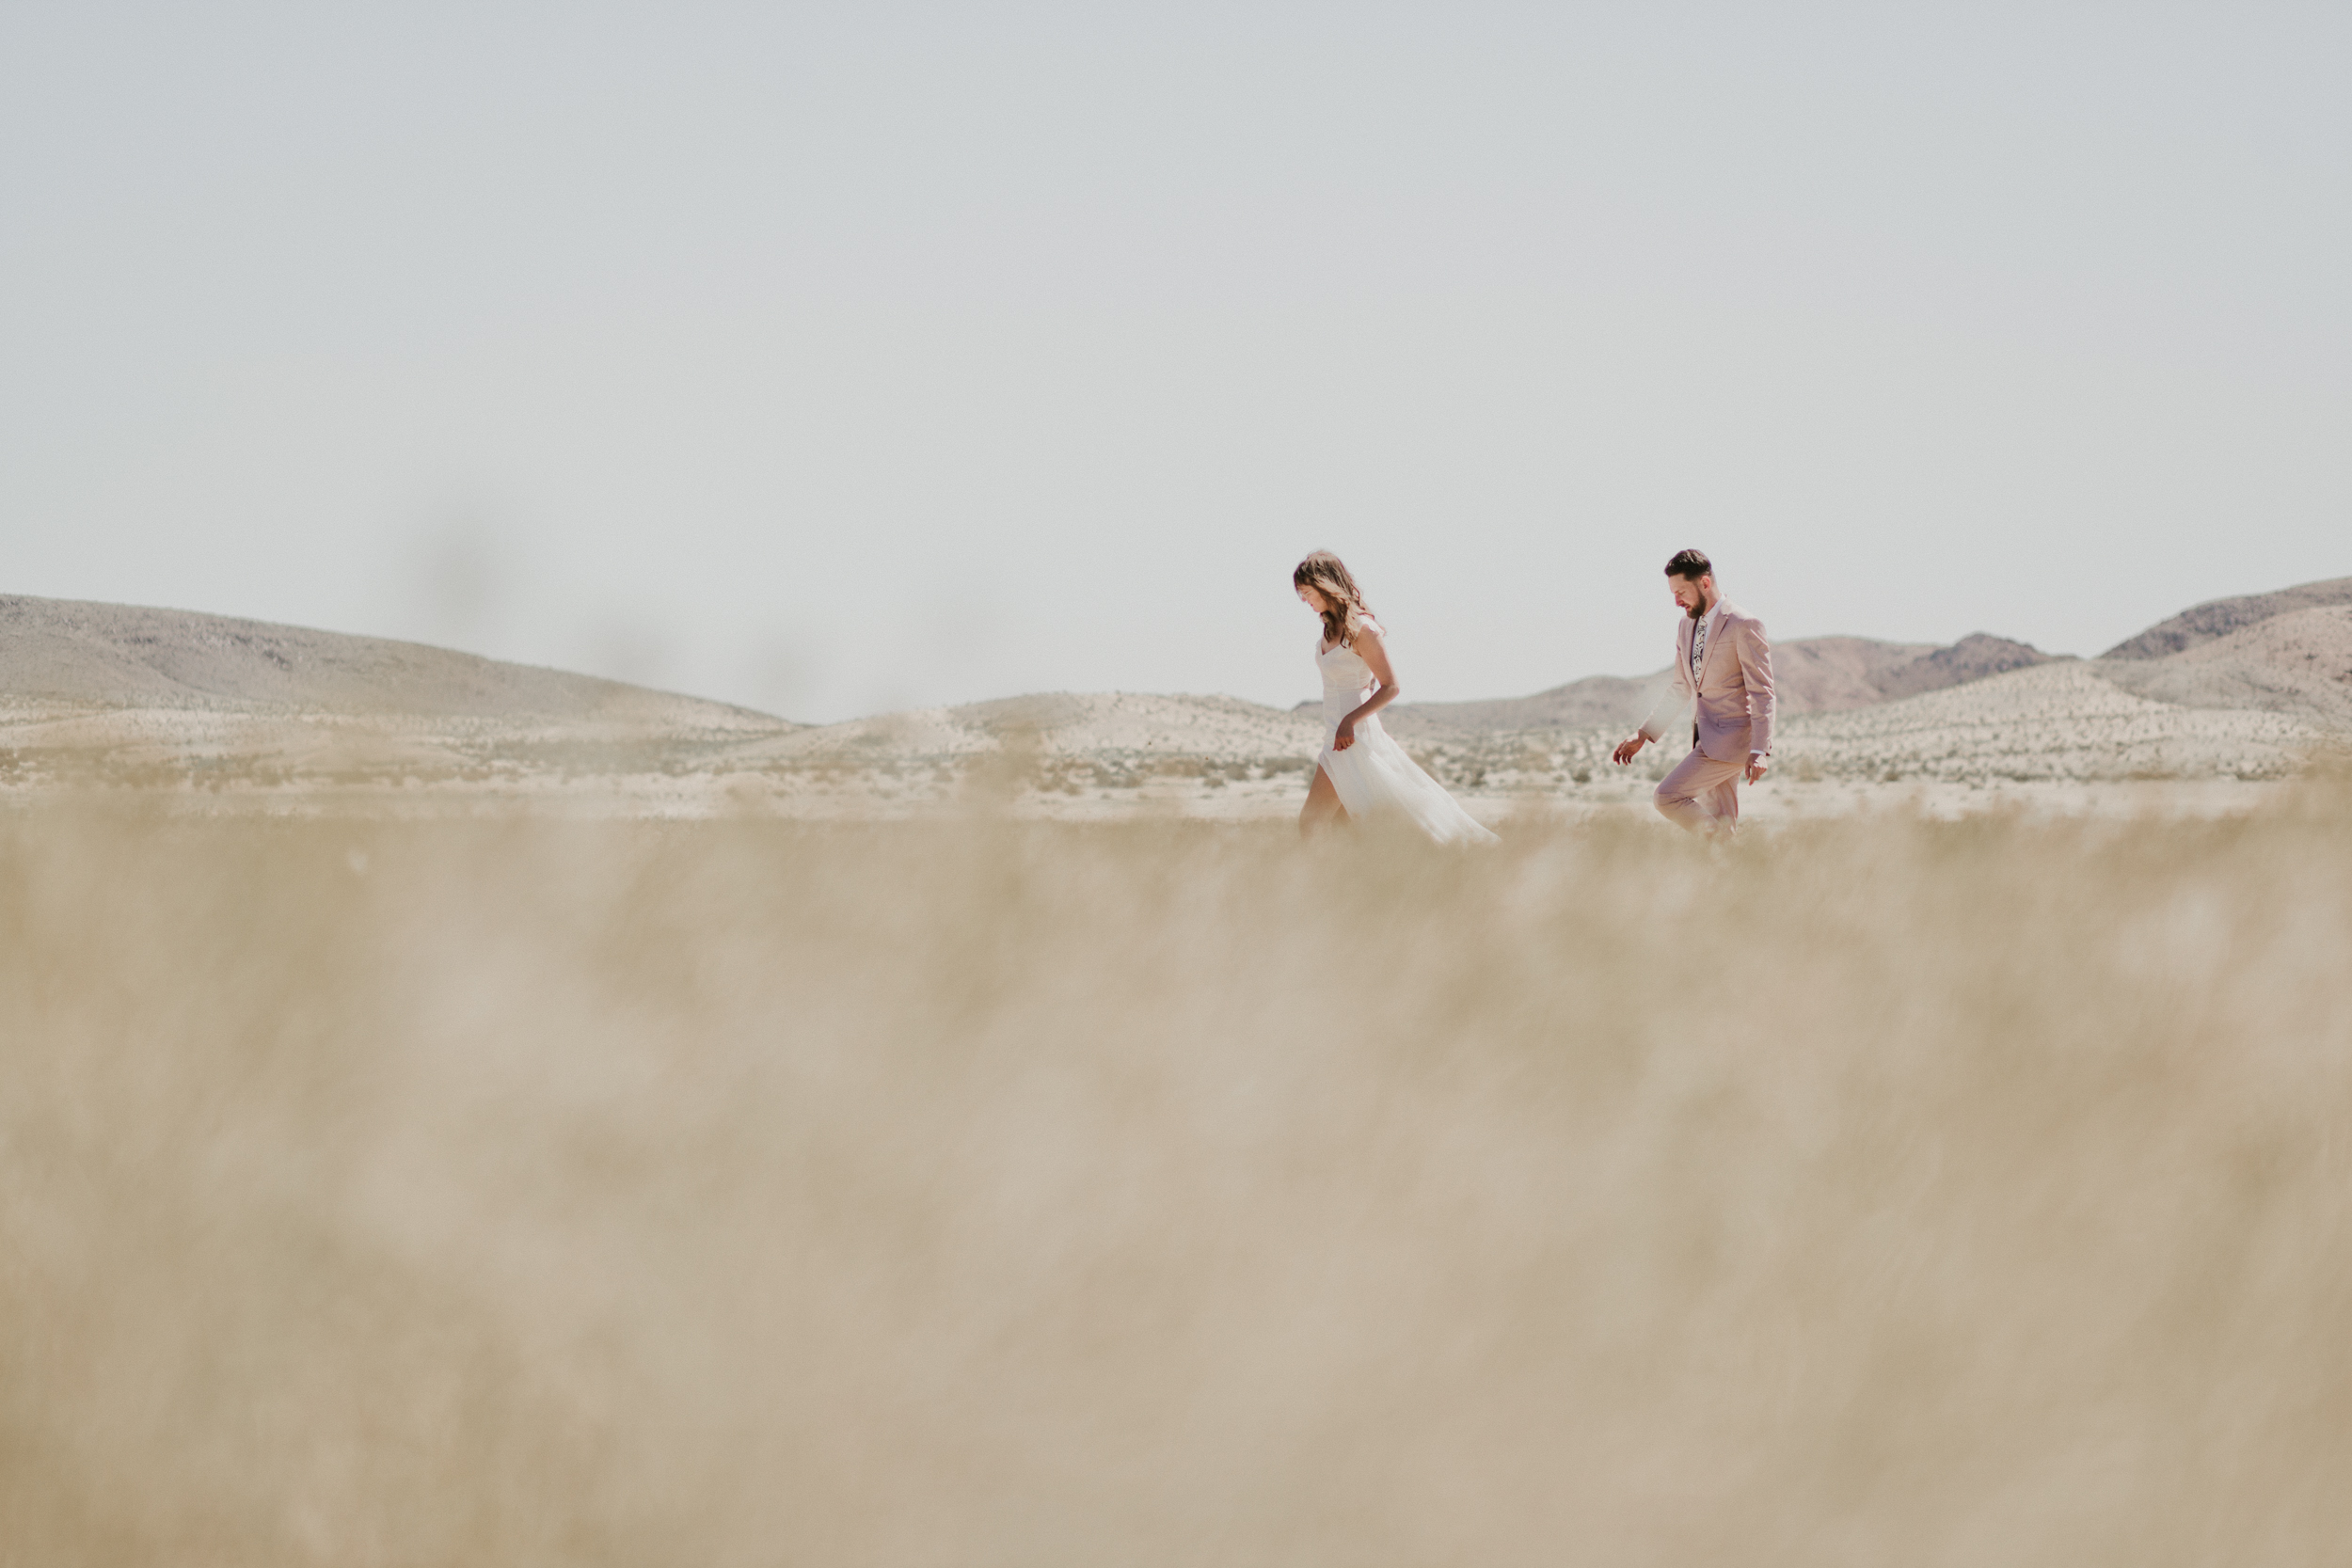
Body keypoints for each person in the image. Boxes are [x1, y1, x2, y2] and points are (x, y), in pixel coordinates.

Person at [1293, 551, 1498, 844]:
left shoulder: (1363, 630)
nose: (1306, 601)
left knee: (1317, 822)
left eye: (1308, 593)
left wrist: (1350, 721)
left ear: (1326, 586)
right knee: (1341, 827)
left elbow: (1390, 686)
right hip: (1334, 737)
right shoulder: (1329, 630)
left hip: (1354, 738)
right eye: (1302, 595)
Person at [1611, 548, 1775, 836]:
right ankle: (1734, 871)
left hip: (1733, 742)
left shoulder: (1744, 624)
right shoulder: (1686, 627)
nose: (1676, 601)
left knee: (1667, 797)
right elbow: (1682, 688)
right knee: (1722, 820)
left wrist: (1760, 750)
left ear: (1705, 583)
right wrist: (1644, 734)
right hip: (1706, 739)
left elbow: (1762, 692)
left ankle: (1725, 852)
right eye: (1673, 593)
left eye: (1682, 592)